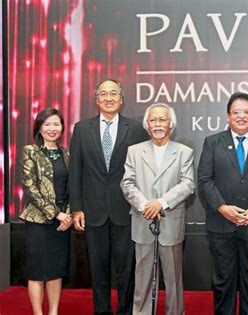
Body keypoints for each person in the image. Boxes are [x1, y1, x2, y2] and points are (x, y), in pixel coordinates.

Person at [69, 79, 149, 315]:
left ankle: (125, 310)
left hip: (125, 209)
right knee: (98, 267)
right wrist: (77, 208)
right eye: (103, 94)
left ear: (121, 99)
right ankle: (101, 311)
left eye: (113, 93)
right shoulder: (82, 129)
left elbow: (142, 171)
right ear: (96, 99)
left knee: (127, 268)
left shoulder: (134, 129)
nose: (109, 98)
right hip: (92, 211)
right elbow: (76, 170)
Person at [197, 92, 248, 315]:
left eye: (246, 112)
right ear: (227, 116)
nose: (241, 116)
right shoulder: (212, 142)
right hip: (221, 225)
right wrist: (222, 208)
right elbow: (204, 180)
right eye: (236, 112)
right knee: (223, 282)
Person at [121, 103, 195, 315]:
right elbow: (127, 183)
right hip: (142, 220)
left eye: (162, 120)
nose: (157, 124)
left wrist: (160, 203)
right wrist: (145, 205)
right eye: (153, 120)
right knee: (142, 278)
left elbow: (188, 184)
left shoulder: (184, 152)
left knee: (173, 280)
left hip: (170, 221)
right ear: (146, 124)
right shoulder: (134, 152)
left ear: (170, 124)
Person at [19, 108, 72, 315]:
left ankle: (53, 312)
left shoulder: (66, 153)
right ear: (39, 128)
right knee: (38, 271)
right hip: (38, 221)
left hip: (62, 221)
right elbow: (30, 187)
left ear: (62, 128)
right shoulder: (30, 151)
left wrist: (67, 213)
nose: (52, 128)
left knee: (55, 270)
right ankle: (38, 313)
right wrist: (56, 213)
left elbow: (71, 186)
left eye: (56, 124)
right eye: (47, 124)